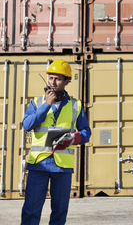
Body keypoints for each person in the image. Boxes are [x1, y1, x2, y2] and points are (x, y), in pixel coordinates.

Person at [21, 59, 91, 225]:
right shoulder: (37, 102)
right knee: (31, 210)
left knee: (60, 211)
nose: (52, 82)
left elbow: (86, 132)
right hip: (39, 163)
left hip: (62, 166)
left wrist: (73, 138)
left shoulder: (76, 105)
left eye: (58, 79)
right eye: (50, 78)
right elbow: (27, 125)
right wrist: (46, 105)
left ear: (67, 81)